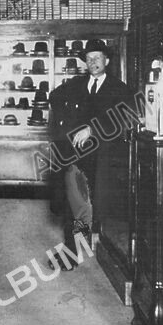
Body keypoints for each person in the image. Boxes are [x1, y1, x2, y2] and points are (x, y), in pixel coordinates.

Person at [49, 38, 136, 267]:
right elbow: (54, 98)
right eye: (89, 59)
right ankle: (71, 253)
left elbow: (123, 120)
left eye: (97, 58)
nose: (93, 62)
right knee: (75, 203)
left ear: (106, 60)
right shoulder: (76, 85)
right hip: (78, 156)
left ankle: (108, 249)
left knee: (103, 206)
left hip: (105, 159)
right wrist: (66, 126)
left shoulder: (120, 89)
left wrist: (92, 129)